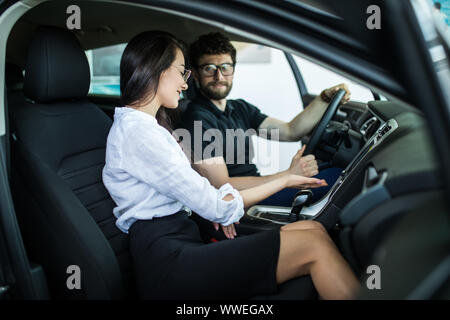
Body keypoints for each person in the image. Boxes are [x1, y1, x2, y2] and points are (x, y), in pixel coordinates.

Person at [102, 30, 360, 300]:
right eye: (182, 73)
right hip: (169, 261)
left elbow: (201, 193)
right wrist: (284, 178)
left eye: (225, 68)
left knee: (314, 229)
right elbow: (214, 201)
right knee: (313, 244)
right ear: (158, 71)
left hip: (181, 237)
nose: (184, 84)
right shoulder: (140, 133)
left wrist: (217, 208)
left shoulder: (148, 128)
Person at [181, 32, 350, 208]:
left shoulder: (240, 108)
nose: (219, 77)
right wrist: (287, 175)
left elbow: (290, 131)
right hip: (242, 201)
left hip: (261, 188)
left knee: (339, 174)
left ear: (233, 70)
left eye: (225, 67)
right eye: (209, 68)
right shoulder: (196, 118)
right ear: (196, 74)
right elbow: (221, 185)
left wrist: (324, 99)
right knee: (340, 179)